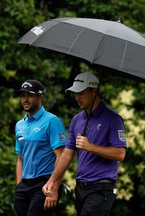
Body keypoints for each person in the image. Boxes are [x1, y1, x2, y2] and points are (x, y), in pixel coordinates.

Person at [42, 72, 127, 216]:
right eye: (75, 93)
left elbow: (120, 153)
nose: (77, 98)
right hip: (81, 188)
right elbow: (67, 155)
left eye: (81, 93)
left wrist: (90, 147)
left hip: (102, 188)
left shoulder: (113, 119)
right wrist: (52, 180)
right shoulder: (77, 120)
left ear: (94, 91)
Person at [13, 79, 67, 216]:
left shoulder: (52, 121)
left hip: (44, 184)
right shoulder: (19, 125)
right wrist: (19, 185)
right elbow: (20, 158)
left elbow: (62, 156)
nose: (25, 99)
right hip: (24, 186)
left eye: (29, 95)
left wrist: (54, 187)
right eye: (23, 95)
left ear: (40, 98)